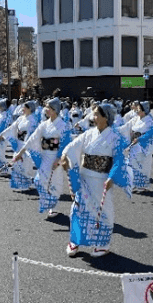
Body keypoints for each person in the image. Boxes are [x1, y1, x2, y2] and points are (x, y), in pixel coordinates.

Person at [59, 103, 130, 257]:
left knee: (102, 211)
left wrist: (112, 176)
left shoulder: (115, 137)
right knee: (77, 209)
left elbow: (119, 160)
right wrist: (65, 156)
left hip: (101, 180)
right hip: (84, 177)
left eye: (97, 114)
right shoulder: (88, 133)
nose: (93, 117)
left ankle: (102, 244)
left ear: (106, 117)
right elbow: (73, 145)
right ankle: (75, 240)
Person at [13, 98, 71, 216]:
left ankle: (52, 207)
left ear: (54, 110)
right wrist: (21, 152)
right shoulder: (44, 124)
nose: (46, 109)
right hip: (45, 156)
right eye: (46, 107)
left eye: (48, 107)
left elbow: (65, 142)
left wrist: (59, 158)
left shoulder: (63, 125)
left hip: (55, 156)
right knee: (39, 181)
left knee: (54, 182)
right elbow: (32, 139)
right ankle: (49, 203)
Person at [0, 101, 39, 191]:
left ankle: (27, 183)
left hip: (27, 144)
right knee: (18, 164)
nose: (22, 109)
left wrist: (26, 147)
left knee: (25, 164)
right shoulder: (21, 118)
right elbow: (12, 127)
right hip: (19, 143)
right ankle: (26, 182)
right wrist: (3, 134)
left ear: (30, 108)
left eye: (25, 108)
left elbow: (32, 135)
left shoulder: (33, 120)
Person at [122, 101, 153, 193]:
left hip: (143, 147)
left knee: (142, 166)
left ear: (144, 111)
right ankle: (133, 185)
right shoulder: (135, 119)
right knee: (131, 165)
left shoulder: (149, 121)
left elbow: (151, 133)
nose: (136, 110)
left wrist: (140, 138)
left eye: (139, 109)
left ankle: (142, 186)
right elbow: (126, 127)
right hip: (134, 145)